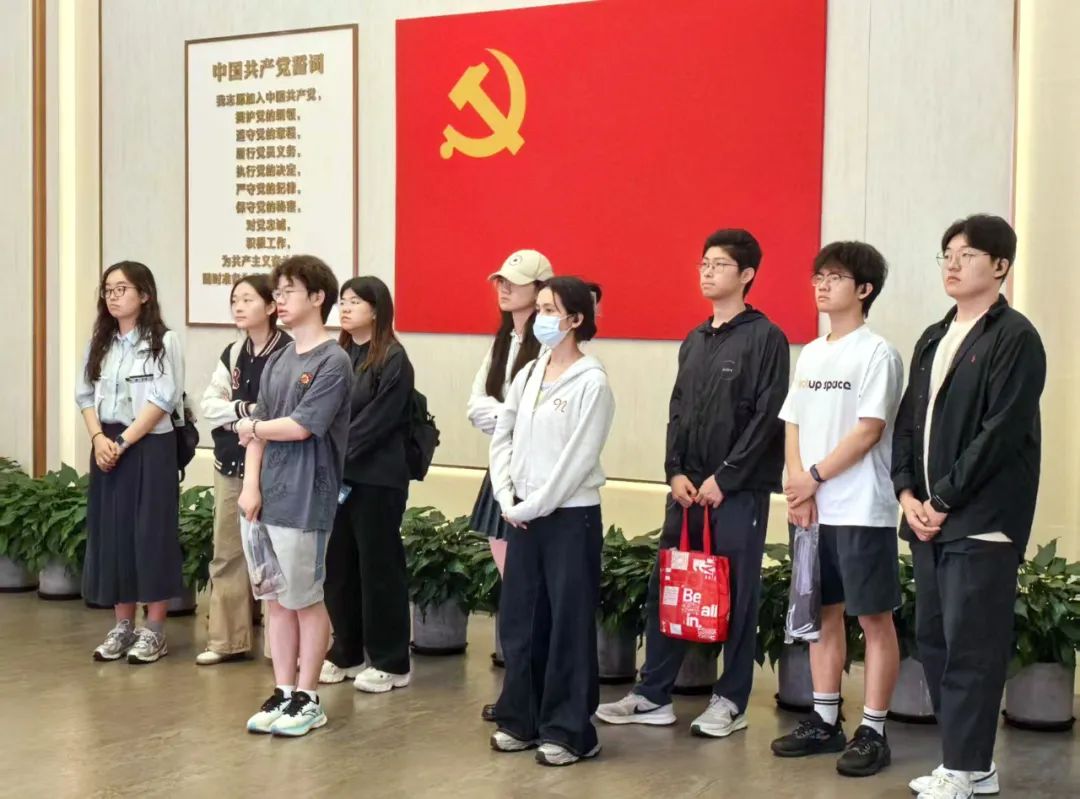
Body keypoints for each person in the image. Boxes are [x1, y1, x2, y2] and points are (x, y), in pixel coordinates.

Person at [595, 229, 789, 738]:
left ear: (746, 275)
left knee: (737, 594)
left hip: (736, 493)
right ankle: (652, 694)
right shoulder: (695, 338)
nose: (707, 271)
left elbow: (767, 417)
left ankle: (731, 700)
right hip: (686, 492)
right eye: (704, 262)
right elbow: (678, 410)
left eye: (719, 264)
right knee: (670, 584)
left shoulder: (766, 337)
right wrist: (674, 471)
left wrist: (726, 478)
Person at [895, 215, 1045, 799]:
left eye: (968, 254)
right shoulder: (934, 336)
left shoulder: (1016, 337)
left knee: (972, 650)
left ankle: (962, 768)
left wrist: (943, 499)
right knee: (934, 642)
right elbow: (908, 424)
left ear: (1001, 266)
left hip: (981, 522)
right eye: (947, 254)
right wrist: (908, 494)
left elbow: (1000, 434)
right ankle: (970, 766)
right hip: (928, 520)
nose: (953, 264)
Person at [771, 241, 904, 778]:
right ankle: (825, 720)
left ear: (864, 289)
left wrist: (815, 478)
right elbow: (793, 423)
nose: (822, 286)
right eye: (818, 277)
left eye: (835, 277)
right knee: (821, 613)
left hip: (861, 508)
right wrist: (798, 486)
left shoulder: (877, 353)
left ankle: (873, 729)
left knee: (873, 618)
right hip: (812, 508)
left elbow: (869, 431)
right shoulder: (811, 353)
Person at [488, 276, 615, 767]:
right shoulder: (529, 373)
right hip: (522, 513)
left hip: (568, 517)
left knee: (567, 622)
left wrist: (532, 505)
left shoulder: (592, 382)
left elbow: (577, 461)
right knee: (521, 619)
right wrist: (506, 494)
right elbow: (503, 434)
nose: (538, 317)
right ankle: (521, 719)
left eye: (548, 309)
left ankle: (570, 731)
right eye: (538, 307)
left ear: (575, 319)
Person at [235, 255, 353, 737]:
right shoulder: (280, 359)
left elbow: (302, 426)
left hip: (307, 498)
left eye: (288, 291)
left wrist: (252, 426)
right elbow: (260, 430)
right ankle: (283, 691)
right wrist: (250, 485)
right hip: (267, 498)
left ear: (318, 297)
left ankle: (309, 696)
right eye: (277, 292)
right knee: (276, 601)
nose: (279, 300)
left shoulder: (333, 360)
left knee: (305, 598)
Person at [75, 260, 185, 665]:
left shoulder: (164, 341)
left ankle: (154, 629)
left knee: (150, 533)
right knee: (114, 534)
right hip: (106, 443)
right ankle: (122, 626)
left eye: (121, 289)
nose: (113, 296)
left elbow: (163, 399)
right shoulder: (100, 342)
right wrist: (98, 439)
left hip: (149, 445)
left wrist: (121, 442)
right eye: (108, 289)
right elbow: (85, 395)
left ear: (145, 294)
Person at [466, 249, 550, 721]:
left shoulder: (550, 345)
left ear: (540, 290)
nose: (504, 288)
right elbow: (474, 406)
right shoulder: (502, 341)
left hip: (534, 477)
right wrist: (510, 418)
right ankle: (518, 693)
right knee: (512, 589)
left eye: (514, 282)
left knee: (530, 593)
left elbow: (537, 417)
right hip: (502, 471)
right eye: (500, 280)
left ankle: (532, 693)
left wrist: (506, 417)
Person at [319, 276, 415, 693]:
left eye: (355, 301)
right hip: (339, 476)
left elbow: (379, 421)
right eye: (342, 301)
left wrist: (334, 452)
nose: (345, 308)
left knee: (379, 568)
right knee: (339, 567)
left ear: (376, 309)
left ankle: (391, 661)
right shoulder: (338, 355)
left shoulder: (393, 358)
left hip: (377, 478)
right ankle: (348, 651)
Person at [196, 275, 291, 665]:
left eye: (248, 299)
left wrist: (242, 414)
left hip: (275, 465)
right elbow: (209, 404)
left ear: (270, 306)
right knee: (228, 552)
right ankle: (227, 641)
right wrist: (244, 410)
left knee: (276, 552)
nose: (238, 306)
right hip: (230, 462)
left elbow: (279, 410)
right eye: (234, 299)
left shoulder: (288, 352)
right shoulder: (234, 352)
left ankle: (279, 648)